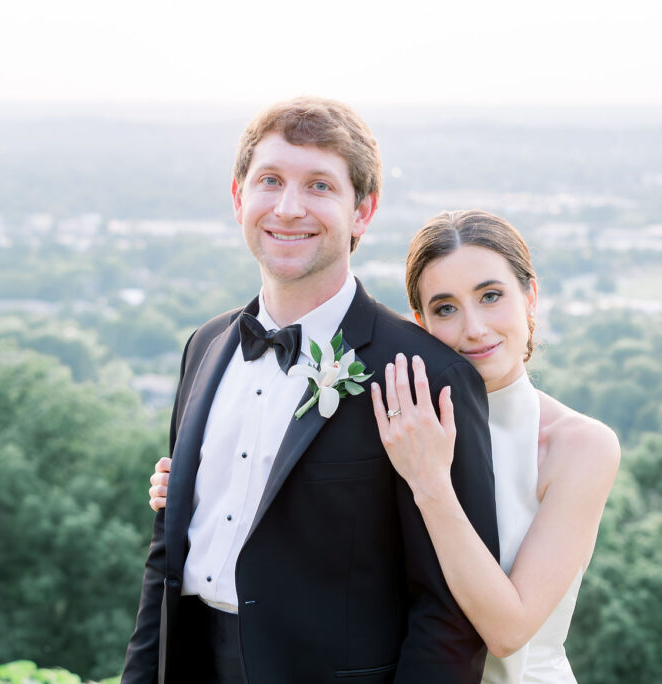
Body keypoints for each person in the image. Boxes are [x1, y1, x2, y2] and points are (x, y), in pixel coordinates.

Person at [151, 209, 620, 683]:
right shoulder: (395, 418)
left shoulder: (580, 446)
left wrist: (430, 482)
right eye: (445, 308)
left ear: (530, 297)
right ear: (420, 323)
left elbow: (509, 631)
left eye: (491, 296)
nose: (473, 327)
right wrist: (204, 486)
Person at [122, 98, 499, 684]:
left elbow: (450, 611)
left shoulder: (426, 374)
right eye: (269, 181)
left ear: (362, 212)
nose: (289, 208)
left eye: (319, 186)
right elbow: (168, 554)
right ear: (238, 196)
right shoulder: (205, 345)